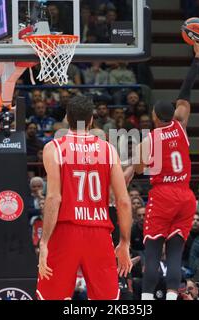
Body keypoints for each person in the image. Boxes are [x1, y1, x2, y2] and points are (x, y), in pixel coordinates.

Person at [124, 37, 199, 300]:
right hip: (185, 196)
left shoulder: (149, 140)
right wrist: (197, 56)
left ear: (154, 118)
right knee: (175, 252)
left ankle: (148, 301)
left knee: (152, 251)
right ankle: (172, 297)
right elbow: (185, 92)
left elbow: (138, 169)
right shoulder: (181, 124)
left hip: (163, 196)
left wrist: (134, 167)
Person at [36, 96, 132, 300]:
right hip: (99, 231)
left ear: (66, 119)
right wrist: (124, 242)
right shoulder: (108, 150)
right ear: (91, 120)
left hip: (65, 230)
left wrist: (44, 242)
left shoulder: (53, 148)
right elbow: (123, 201)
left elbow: (54, 197)